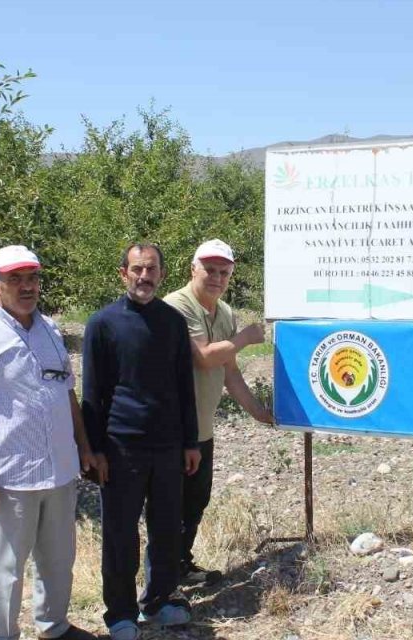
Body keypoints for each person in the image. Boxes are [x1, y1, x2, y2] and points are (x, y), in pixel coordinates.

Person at [0, 245, 98, 640]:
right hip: (11, 473)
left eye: (32, 278)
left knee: (58, 559)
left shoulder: (50, 331)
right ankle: (0, 634)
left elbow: (66, 393)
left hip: (61, 469)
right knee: (6, 566)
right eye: (15, 279)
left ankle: (54, 627)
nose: (26, 286)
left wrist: (83, 447)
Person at [81, 243, 201, 640]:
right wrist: (94, 450)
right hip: (121, 447)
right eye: (137, 269)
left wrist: (190, 442)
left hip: (168, 446)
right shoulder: (103, 323)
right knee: (120, 533)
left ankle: (159, 601)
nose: (144, 277)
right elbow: (92, 393)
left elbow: (186, 385)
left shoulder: (172, 322)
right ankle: (120, 614)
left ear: (162, 275)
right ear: (123, 274)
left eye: (151, 270)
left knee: (166, 527)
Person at [163, 239, 274, 585]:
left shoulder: (224, 312)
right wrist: (245, 337)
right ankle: (162, 582)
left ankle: (180, 566)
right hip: (173, 428)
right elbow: (204, 356)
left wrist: (258, 412)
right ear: (192, 269)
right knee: (170, 507)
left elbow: (229, 370)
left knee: (195, 502)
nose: (216, 277)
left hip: (202, 428)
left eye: (223, 272)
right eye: (209, 270)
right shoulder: (176, 306)